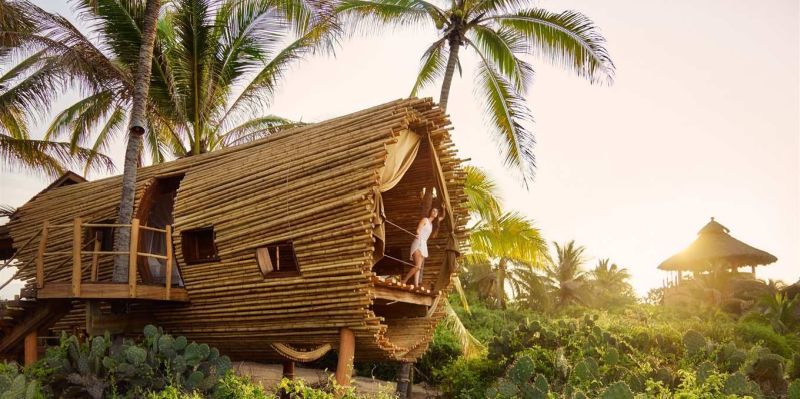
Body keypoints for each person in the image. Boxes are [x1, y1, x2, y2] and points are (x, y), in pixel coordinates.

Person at [402, 206, 445, 286]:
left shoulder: (432, 224)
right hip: (418, 242)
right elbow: (418, 229)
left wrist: (444, 209)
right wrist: (418, 234)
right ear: (430, 212)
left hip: (424, 244)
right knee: (417, 266)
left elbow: (442, 217)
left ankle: (416, 285)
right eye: (433, 211)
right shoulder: (425, 220)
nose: (434, 212)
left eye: (436, 212)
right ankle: (404, 281)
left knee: (418, 268)